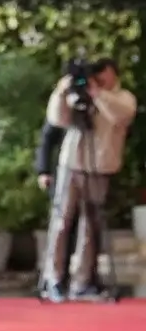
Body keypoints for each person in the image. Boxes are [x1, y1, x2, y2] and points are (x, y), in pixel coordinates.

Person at [43, 58, 137, 301]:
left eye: (104, 73)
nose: (100, 78)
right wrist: (62, 92)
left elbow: (120, 116)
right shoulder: (79, 95)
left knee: (90, 224)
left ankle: (83, 280)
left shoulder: (123, 98)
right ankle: (54, 278)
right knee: (62, 219)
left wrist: (97, 94)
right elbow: (57, 119)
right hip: (71, 164)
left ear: (114, 74)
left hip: (100, 167)